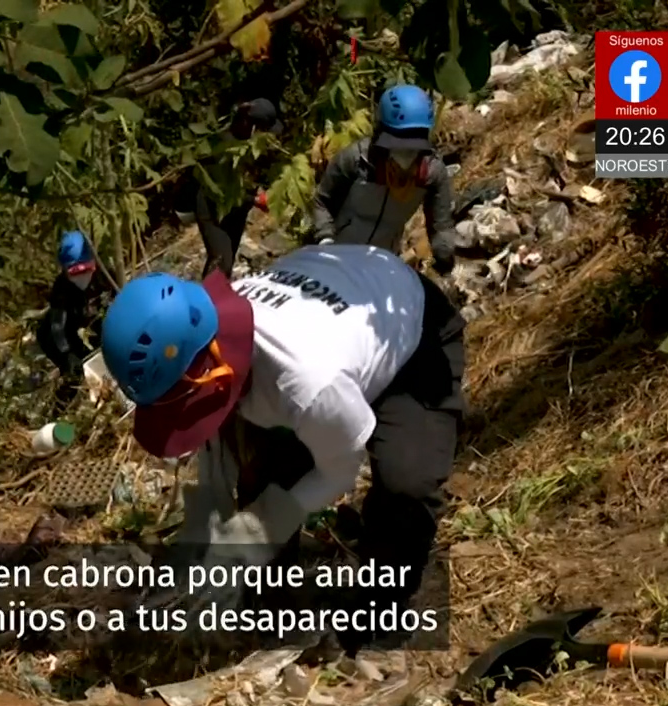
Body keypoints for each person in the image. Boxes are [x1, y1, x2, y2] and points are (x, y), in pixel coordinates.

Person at [99, 243, 465, 656]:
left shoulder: (307, 381)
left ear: (212, 368)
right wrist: (205, 534)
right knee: (263, 474)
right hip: (340, 310)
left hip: (410, 335)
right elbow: (217, 451)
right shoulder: (210, 336)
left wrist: (256, 530)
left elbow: (339, 471)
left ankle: (379, 616)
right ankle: (270, 610)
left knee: (406, 486)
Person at [311, 84, 458, 275]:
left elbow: (441, 225)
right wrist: (325, 240)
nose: (406, 153)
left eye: (413, 147)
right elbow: (322, 202)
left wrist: (444, 255)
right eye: (399, 145)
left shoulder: (431, 173)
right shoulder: (357, 161)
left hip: (381, 263)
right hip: (338, 255)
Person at [172, 98, 281, 280]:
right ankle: (209, 296)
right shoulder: (222, 147)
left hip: (238, 208)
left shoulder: (253, 145)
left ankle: (217, 293)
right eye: (262, 130)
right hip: (212, 206)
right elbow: (220, 189)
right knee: (221, 259)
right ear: (249, 125)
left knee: (228, 260)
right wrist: (255, 200)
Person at [36, 230, 99, 407]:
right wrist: (67, 354)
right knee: (76, 373)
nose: (81, 277)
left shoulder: (103, 277)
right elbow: (57, 327)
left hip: (95, 328)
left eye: (85, 270)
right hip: (68, 336)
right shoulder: (61, 290)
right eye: (74, 272)